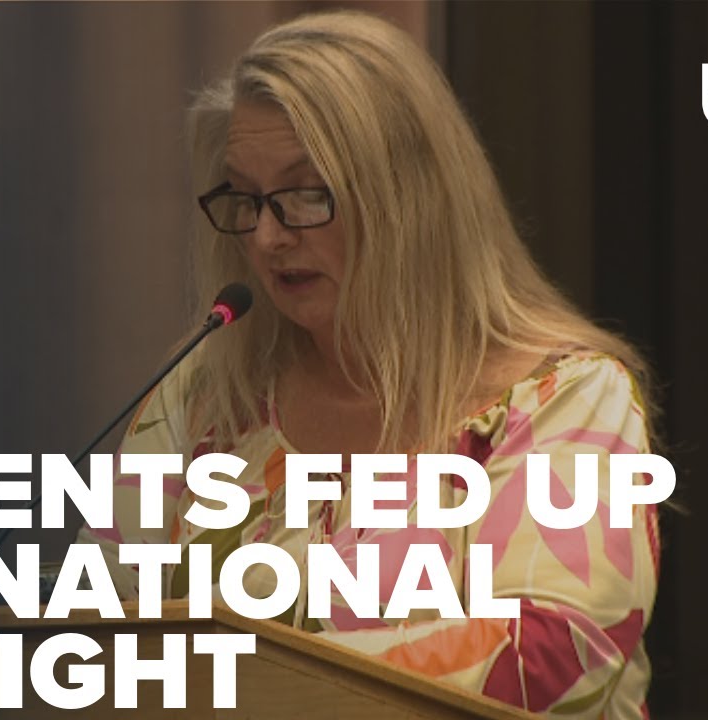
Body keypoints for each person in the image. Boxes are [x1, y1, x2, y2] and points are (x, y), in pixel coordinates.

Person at [78, 10, 660, 718]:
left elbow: (553, 654)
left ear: (412, 197)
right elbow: (92, 628)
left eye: (306, 194)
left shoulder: (564, 398)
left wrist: (249, 682)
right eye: (247, 198)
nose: (266, 237)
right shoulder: (205, 392)